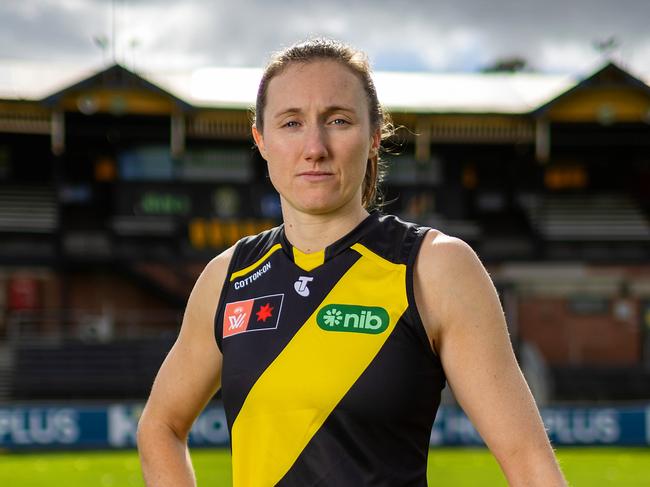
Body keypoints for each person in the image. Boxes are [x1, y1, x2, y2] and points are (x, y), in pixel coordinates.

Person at [137, 38, 567, 486]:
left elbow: (528, 462)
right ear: (260, 140)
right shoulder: (228, 276)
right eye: (291, 123)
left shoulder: (433, 268)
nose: (315, 147)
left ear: (375, 135)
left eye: (338, 120)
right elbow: (160, 427)